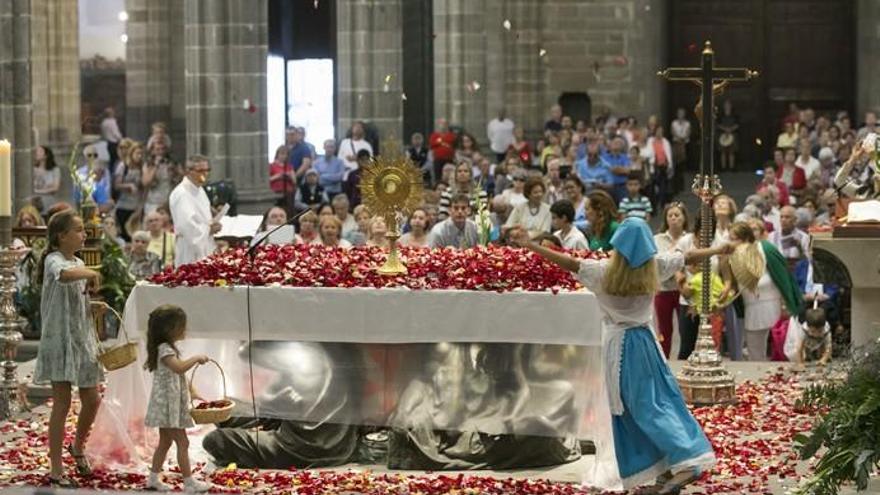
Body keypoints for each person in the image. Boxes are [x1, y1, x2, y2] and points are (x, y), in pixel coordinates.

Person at [509, 218, 725, 493]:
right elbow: (688, 255)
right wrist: (719, 250)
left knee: (638, 409)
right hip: (646, 343)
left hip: (619, 347)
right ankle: (667, 467)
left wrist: (531, 246)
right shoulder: (655, 267)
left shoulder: (602, 272)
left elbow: (568, 262)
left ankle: (683, 460)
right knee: (658, 400)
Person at [33, 210, 103, 487]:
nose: (84, 234)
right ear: (62, 236)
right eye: (79, 230)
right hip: (59, 341)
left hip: (80, 338)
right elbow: (63, 276)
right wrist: (91, 273)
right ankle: (56, 466)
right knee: (62, 403)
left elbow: (76, 296)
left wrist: (91, 306)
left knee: (93, 399)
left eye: (84, 230)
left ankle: (77, 445)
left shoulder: (79, 261)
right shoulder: (54, 260)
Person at [143, 305, 211, 492]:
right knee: (183, 442)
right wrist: (196, 358)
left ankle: (153, 479)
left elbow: (179, 375)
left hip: (167, 404)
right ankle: (189, 482)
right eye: (182, 326)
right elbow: (179, 368)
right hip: (167, 406)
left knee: (165, 442)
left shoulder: (167, 348)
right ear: (170, 329)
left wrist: (193, 391)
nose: (185, 330)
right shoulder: (164, 349)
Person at [725, 222, 803, 361]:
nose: (730, 243)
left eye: (734, 239)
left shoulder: (765, 248)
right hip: (751, 306)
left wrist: (786, 303)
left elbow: (782, 276)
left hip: (773, 303)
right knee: (754, 350)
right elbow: (732, 283)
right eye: (729, 239)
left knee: (784, 344)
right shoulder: (731, 257)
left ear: (746, 238)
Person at [654, 203, 693, 358]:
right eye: (670, 215)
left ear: (684, 218)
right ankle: (663, 360)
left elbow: (691, 261)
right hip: (663, 290)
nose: (673, 218)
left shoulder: (689, 238)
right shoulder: (657, 239)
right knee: (664, 330)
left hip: (683, 290)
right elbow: (658, 262)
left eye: (677, 215)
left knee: (685, 330)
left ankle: (684, 360)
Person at [169, 155, 220, 267]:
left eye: (207, 170)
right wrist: (209, 229)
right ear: (188, 171)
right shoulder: (182, 194)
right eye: (200, 170)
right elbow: (186, 225)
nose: (205, 174)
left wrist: (213, 222)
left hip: (205, 243)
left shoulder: (199, 189)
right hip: (189, 248)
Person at [114, 142, 145, 241]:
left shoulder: (142, 167)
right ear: (132, 154)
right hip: (123, 205)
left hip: (136, 207)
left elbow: (144, 188)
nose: (139, 156)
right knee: (123, 235)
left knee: (135, 235)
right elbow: (116, 185)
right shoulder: (123, 166)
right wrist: (128, 186)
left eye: (141, 154)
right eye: (137, 153)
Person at [143, 140, 181, 216]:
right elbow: (146, 182)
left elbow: (181, 179)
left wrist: (174, 172)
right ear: (153, 151)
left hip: (168, 202)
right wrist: (156, 165)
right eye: (157, 149)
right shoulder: (148, 164)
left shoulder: (172, 163)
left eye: (163, 149)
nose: (160, 152)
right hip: (153, 203)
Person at [33, 145, 61, 214]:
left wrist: (38, 191)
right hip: (36, 201)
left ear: (46, 155)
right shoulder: (33, 170)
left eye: (40, 151)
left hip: (48, 201)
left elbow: (55, 188)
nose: (37, 153)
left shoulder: (54, 170)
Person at [717, 100, 739, 170]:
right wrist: (725, 129)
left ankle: (731, 167)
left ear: (731, 106)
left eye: (728, 105)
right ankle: (723, 167)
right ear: (724, 106)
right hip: (722, 135)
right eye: (726, 105)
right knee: (723, 152)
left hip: (733, 134)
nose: (727, 106)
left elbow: (738, 124)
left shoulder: (734, 115)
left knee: (731, 151)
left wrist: (730, 129)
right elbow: (718, 124)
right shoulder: (721, 115)